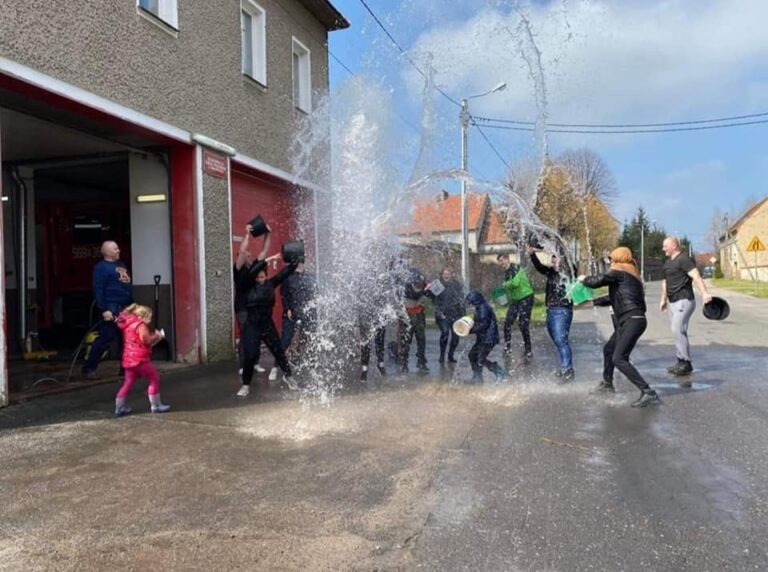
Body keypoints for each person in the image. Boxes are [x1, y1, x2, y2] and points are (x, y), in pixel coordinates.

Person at [580, 246, 661, 408]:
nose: (610, 262)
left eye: (611, 259)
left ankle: (648, 392)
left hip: (632, 320)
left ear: (617, 259)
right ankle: (607, 384)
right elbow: (614, 297)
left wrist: (583, 279)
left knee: (619, 358)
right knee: (609, 350)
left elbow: (597, 282)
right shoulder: (630, 275)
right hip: (631, 320)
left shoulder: (619, 272)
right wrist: (592, 302)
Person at [236, 253, 298, 397]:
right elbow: (252, 270)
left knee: (279, 352)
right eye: (257, 277)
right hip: (251, 326)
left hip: (267, 325)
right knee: (250, 356)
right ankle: (245, 385)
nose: (260, 280)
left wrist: (294, 262)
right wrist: (262, 260)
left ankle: (288, 376)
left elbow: (284, 273)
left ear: (266, 276)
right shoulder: (247, 287)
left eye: (262, 277)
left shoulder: (270, 284)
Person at [660, 236, 713, 379]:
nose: (663, 248)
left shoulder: (683, 259)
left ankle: (686, 363)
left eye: (665, 246)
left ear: (674, 246)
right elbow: (665, 282)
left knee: (677, 329)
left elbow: (696, 276)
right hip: (672, 301)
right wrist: (663, 299)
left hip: (684, 300)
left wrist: (705, 293)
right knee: (678, 331)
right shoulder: (667, 263)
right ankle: (681, 361)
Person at [83, 241, 133, 380]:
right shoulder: (101, 268)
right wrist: (104, 310)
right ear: (107, 252)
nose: (119, 250)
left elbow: (126, 286)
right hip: (111, 307)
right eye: (115, 249)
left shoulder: (121, 265)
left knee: (127, 340)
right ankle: (89, 368)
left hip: (126, 308)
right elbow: (98, 289)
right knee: (106, 338)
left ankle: (126, 369)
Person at [527, 246, 574, 380]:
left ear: (563, 260)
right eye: (553, 260)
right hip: (551, 311)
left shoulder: (569, 272)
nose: (554, 262)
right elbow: (539, 266)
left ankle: (568, 370)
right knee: (557, 341)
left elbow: (566, 256)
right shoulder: (551, 273)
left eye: (556, 259)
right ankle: (565, 367)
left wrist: (562, 255)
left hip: (562, 310)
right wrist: (532, 254)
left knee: (561, 340)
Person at [114, 304, 170, 416]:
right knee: (154, 378)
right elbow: (146, 340)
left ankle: (119, 408)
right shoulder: (140, 325)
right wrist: (158, 335)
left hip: (129, 359)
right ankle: (156, 405)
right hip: (140, 359)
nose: (150, 320)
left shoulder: (127, 324)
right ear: (141, 316)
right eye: (148, 317)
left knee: (128, 382)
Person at [234, 224, 271, 376]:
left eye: (250, 256)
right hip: (242, 308)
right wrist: (247, 234)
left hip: (253, 308)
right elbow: (242, 250)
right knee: (245, 335)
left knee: (256, 334)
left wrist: (268, 233)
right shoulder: (238, 269)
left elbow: (264, 251)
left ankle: (255, 363)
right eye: (246, 256)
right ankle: (243, 366)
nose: (249, 257)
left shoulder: (254, 269)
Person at [272, 263, 316, 380]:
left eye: (303, 262)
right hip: (292, 312)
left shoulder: (309, 277)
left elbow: (313, 295)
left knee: (310, 339)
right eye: (299, 263)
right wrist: (287, 308)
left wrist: (313, 311)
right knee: (285, 339)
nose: (302, 265)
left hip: (306, 312)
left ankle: (311, 367)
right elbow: (283, 294)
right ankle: (275, 366)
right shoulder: (288, 277)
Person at [497, 253, 534, 359]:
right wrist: (503, 299)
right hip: (515, 300)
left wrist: (505, 284)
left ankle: (528, 349)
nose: (501, 263)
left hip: (526, 297)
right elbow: (510, 288)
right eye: (499, 261)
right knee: (507, 322)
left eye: (502, 260)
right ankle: (507, 346)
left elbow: (515, 283)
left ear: (507, 259)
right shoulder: (506, 272)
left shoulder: (516, 268)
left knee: (523, 324)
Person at [464, 290, 507, 384]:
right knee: (472, 355)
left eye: (471, 302)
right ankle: (477, 378)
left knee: (481, 358)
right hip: (483, 338)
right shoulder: (480, 307)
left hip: (489, 338)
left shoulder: (483, 308)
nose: (471, 304)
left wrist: (470, 330)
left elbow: (483, 324)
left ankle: (500, 372)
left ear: (475, 300)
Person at [425, 268, 465, 365]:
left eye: (448, 273)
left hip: (455, 314)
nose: (446, 275)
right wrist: (427, 289)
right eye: (445, 274)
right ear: (442, 275)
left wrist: (463, 315)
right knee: (445, 332)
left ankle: (450, 355)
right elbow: (429, 295)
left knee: (456, 337)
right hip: (442, 314)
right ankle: (442, 356)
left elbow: (461, 300)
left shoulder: (456, 285)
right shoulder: (438, 285)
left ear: (452, 274)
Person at [398, 270, 429, 374]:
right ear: (411, 284)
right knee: (405, 341)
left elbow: (429, 295)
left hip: (419, 316)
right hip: (406, 317)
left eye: (420, 285)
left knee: (421, 340)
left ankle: (421, 362)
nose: (418, 287)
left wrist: (428, 292)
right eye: (416, 285)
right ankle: (404, 363)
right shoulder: (404, 289)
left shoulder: (423, 286)